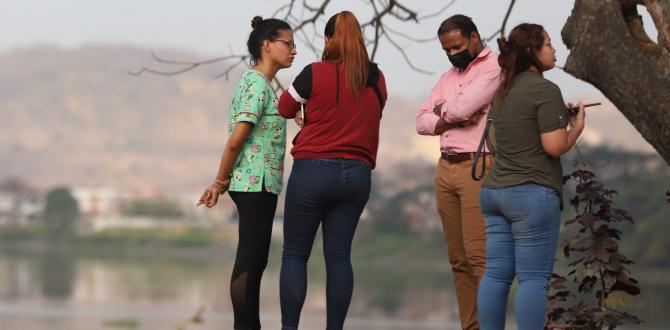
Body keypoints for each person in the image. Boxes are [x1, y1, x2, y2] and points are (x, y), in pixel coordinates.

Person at [277, 11, 387, 330]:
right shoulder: (376, 79)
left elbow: (285, 107)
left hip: (313, 171)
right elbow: (367, 112)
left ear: (328, 41)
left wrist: (307, 109)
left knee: (295, 254)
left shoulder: (314, 73)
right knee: (339, 257)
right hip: (357, 175)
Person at [476, 23, 586, 330]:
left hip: (494, 193)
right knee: (533, 279)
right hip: (531, 195)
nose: (554, 50)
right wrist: (575, 129)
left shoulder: (503, 90)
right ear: (533, 52)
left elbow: (497, 141)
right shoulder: (545, 89)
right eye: (549, 44)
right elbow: (554, 145)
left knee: (496, 274)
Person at [197, 16, 296, 330]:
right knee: (250, 261)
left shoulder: (262, 84)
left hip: (259, 183)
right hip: (255, 182)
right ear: (267, 45)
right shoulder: (255, 84)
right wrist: (219, 181)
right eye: (288, 44)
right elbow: (237, 139)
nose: (295, 51)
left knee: (255, 260)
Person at [415, 14, 500, 330]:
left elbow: (464, 109)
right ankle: (470, 326)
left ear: (475, 37)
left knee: (480, 258)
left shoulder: (494, 68)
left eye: (457, 46)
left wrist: (444, 112)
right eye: (447, 50)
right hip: (446, 167)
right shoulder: (449, 77)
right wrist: (450, 116)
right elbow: (421, 120)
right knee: (458, 261)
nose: (453, 54)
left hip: (477, 167)